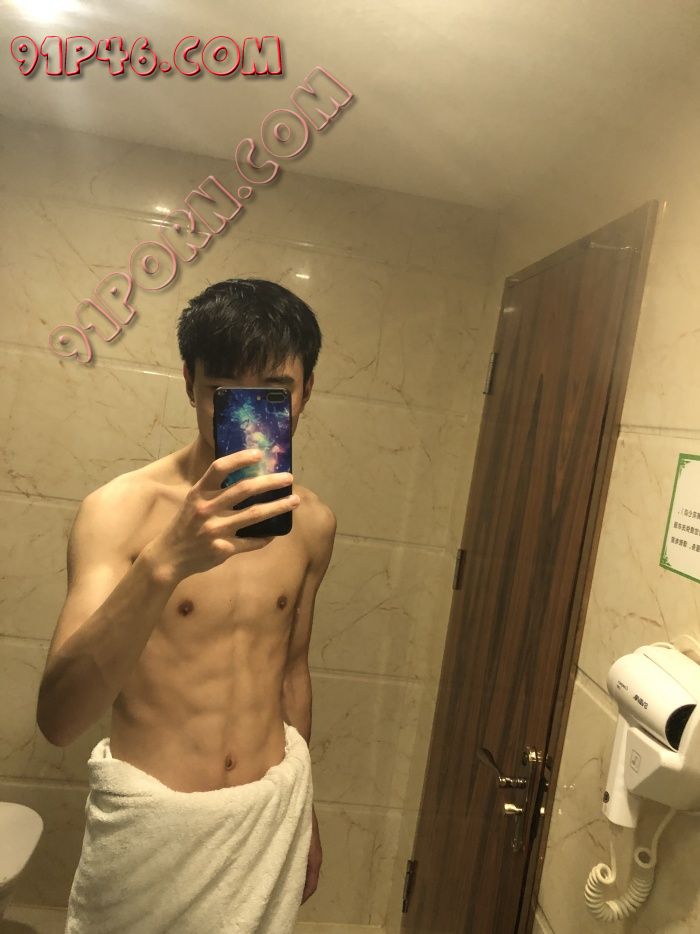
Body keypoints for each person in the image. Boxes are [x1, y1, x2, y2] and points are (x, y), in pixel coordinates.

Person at [37, 278, 337, 933]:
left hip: (264, 823)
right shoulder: (120, 512)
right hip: (156, 837)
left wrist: (304, 811)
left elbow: (291, 671)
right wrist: (165, 562)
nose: (248, 418)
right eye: (224, 391)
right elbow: (59, 718)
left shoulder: (312, 524)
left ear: (307, 391)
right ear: (188, 383)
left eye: (274, 394)